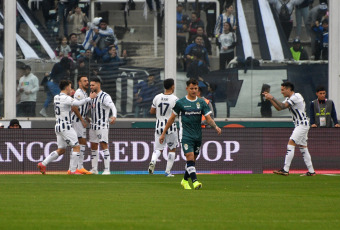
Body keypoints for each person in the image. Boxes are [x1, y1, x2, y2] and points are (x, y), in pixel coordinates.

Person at [159, 79, 222, 190]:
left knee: (192, 161)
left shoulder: (202, 103)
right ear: (187, 88)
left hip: (197, 135)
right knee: (189, 157)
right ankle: (195, 181)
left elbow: (208, 119)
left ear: (198, 89)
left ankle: (184, 180)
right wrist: (163, 133)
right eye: (191, 88)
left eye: (195, 88)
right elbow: (172, 119)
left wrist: (215, 126)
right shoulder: (181, 103)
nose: (194, 90)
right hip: (185, 135)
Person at [37, 80, 97, 175]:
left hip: (58, 126)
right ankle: (72, 171)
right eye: (70, 86)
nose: (71, 88)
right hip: (66, 127)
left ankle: (43, 163)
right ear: (67, 87)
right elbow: (78, 104)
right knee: (76, 147)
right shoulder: (66, 98)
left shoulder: (56, 97)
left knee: (61, 149)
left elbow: (66, 107)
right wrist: (90, 98)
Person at [263, 81, 316, 176]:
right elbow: (279, 108)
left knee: (291, 143)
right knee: (303, 147)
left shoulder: (296, 96)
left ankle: (285, 169)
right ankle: (311, 171)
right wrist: (270, 99)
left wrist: (272, 97)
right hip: (300, 124)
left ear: (288, 89)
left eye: (283, 90)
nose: (281, 92)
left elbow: (283, 106)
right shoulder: (289, 98)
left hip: (302, 124)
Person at [148, 78, 178, 177]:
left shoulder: (157, 97)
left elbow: (152, 111)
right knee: (172, 148)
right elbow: (177, 114)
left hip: (158, 127)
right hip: (171, 127)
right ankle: (167, 172)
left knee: (158, 149)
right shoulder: (175, 99)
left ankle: (153, 160)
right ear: (172, 86)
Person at [89, 77, 117, 175]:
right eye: (90, 85)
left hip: (102, 125)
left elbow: (112, 106)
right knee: (93, 145)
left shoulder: (105, 96)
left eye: (93, 85)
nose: (91, 87)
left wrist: (114, 116)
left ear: (98, 85)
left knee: (104, 145)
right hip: (93, 125)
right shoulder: (92, 96)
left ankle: (107, 169)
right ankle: (94, 169)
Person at [67, 76, 92, 175]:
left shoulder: (85, 93)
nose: (87, 82)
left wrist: (85, 118)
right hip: (76, 121)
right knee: (78, 143)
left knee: (81, 143)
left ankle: (78, 167)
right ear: (80, 83)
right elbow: (74, 107)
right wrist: (82, 119)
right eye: (84, 81)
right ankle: (76, 167)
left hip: (80, 121)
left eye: (87, 81)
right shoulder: (78, 93)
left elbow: (82, 108)